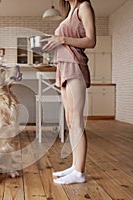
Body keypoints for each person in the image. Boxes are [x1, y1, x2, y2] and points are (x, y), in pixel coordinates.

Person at [42, 0, 96, 184]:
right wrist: (53, 40)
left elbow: (91, 40)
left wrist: (62, 39)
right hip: (63, 67)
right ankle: (75, 166)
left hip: (75, 66)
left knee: (77, 120)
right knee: (70, 121)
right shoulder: (69, 10)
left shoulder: (84, 7)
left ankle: (79, 172)